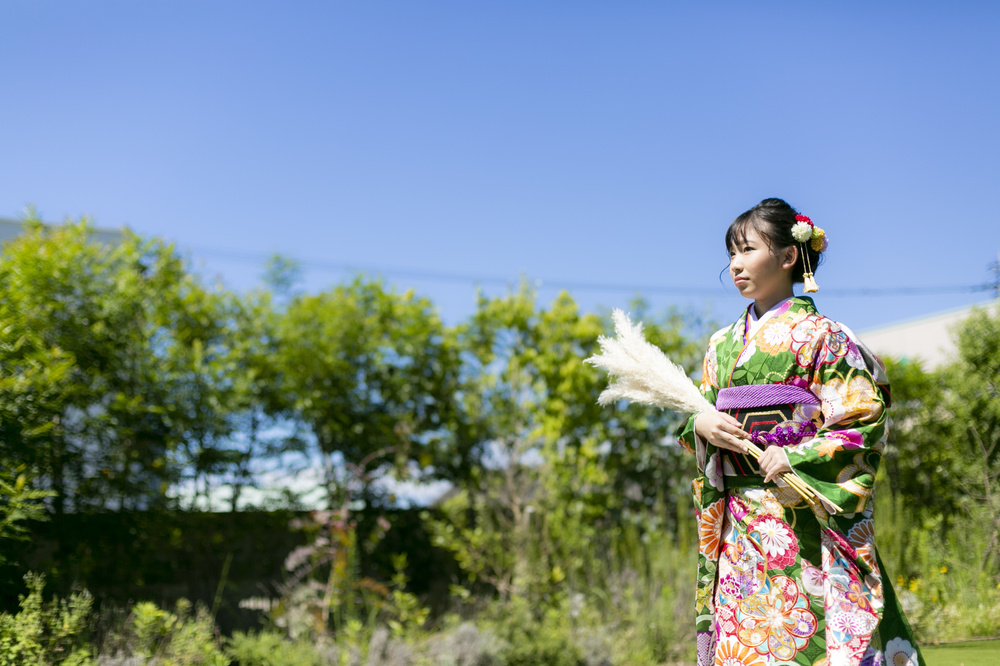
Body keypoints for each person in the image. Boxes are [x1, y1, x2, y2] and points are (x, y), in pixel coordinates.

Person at [676, 198, 923, 666]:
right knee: (744, 636)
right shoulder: (719, 345)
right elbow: (694, 414)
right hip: (739, 522)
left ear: (789, 257)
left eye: (747, 250)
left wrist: (797, 456)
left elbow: (862, 417)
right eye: (730, 253)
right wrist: (700, 422)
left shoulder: (823, 335)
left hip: (802, 512)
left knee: (809, 630)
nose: (735, 264)